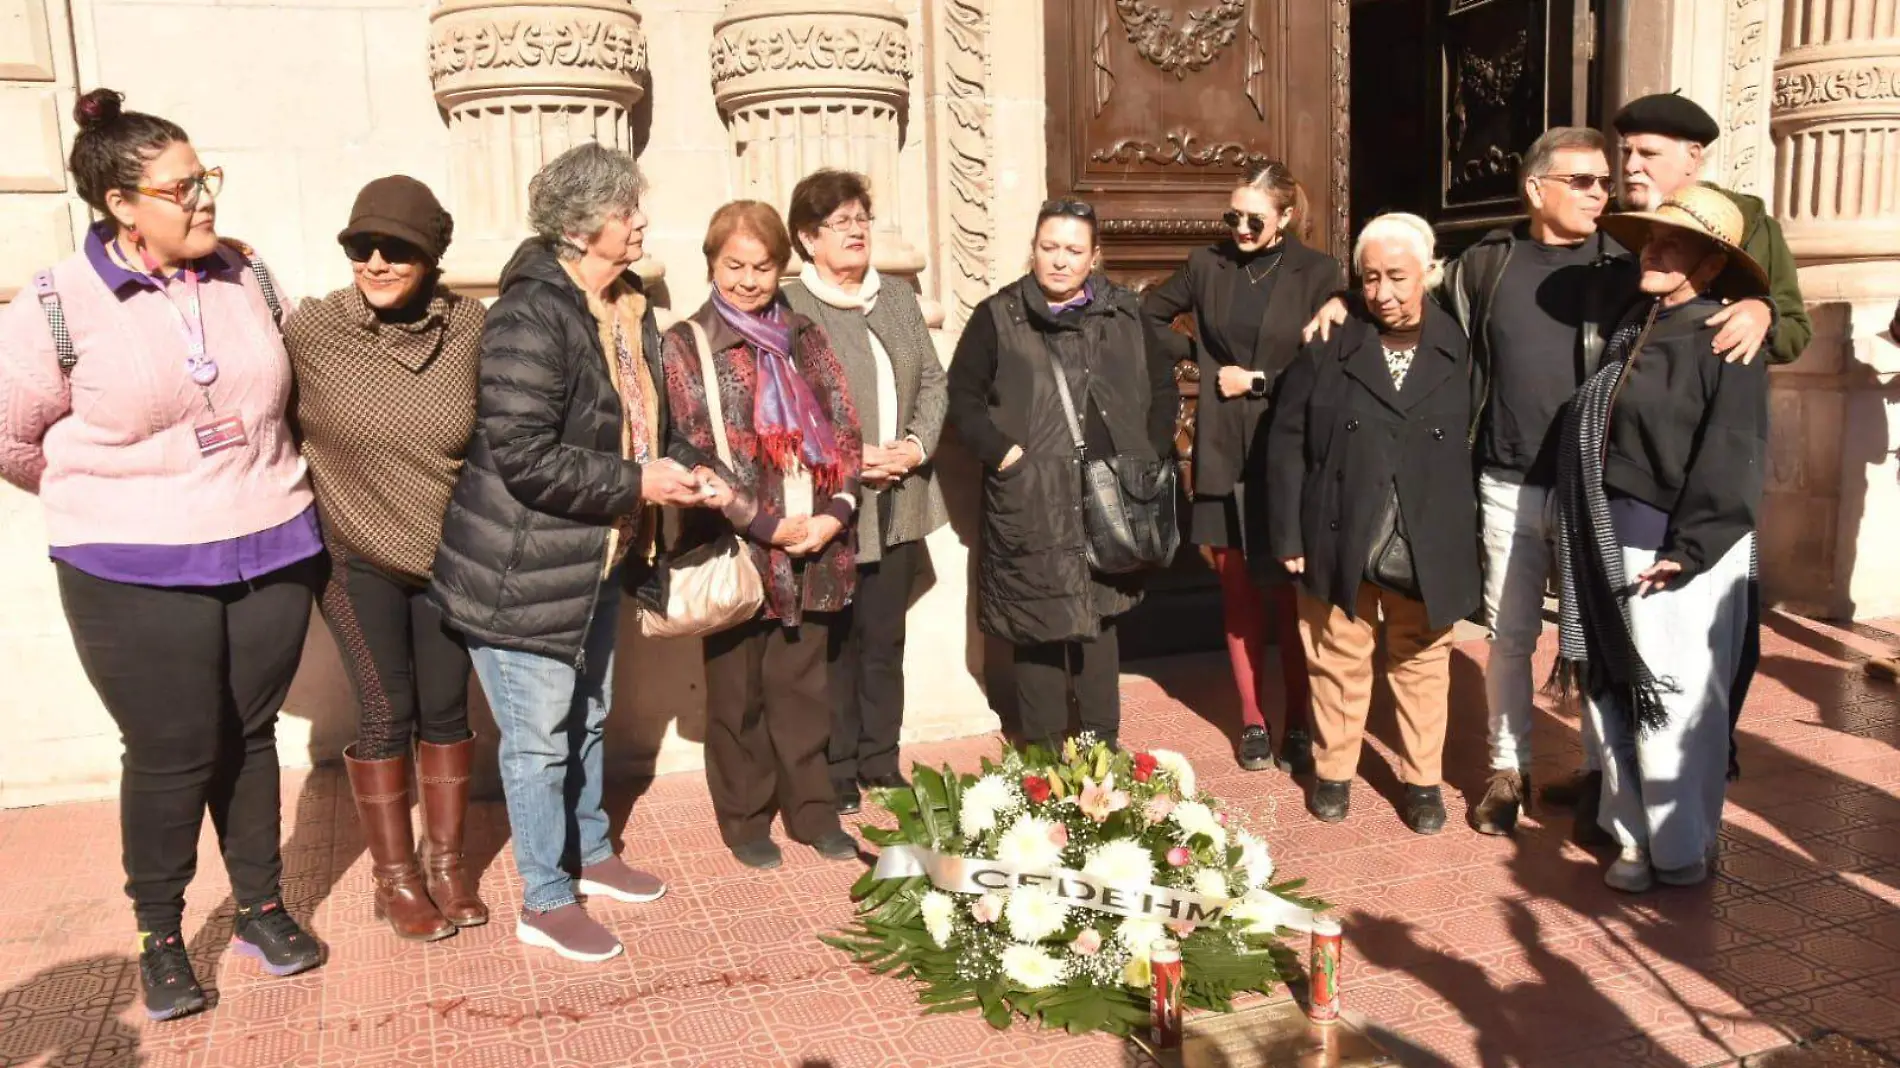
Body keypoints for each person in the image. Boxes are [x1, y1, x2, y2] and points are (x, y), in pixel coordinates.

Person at [1304, 127, 1774, 839]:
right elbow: (1401, 283)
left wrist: (1761, 306)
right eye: (1582, 181)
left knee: (1595, 639)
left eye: (1604, 182)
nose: (1601, 191)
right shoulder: (1484, 266)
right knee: (1511, 636)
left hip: (1596, 492)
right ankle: (1507, 768)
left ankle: (1596, 774)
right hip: (1505, 479)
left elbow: (1705, 287)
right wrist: (1344, 296)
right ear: (1536, 189)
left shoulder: (1630, 261)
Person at [0, 88, 324, 1020]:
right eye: (183, 188)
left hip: (268, 547)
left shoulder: (248, 277)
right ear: (121, 204)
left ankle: (262, 906)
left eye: (206, 179)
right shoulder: (58, 303)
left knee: (251, 737)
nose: (205, 200)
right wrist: (117, 498)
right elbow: (17, 438)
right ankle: (161, 935)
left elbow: (286, 394)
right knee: (173, 750)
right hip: (130, 567)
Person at [428, 143, 717, 963]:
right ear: (586, 224)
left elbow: (643, 421)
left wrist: (688, 474)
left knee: (589, 717)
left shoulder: (627, 307)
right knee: (538, 740)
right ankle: (545, 900)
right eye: (628, 212)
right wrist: (638, 479)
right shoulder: (532, 313)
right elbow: (521, 452)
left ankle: (590, 856)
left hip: (593, 558)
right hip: (522, 572)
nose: (640, 224)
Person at [285, 176, 487, 941]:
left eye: (396, 249)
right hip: (351, 554)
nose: (374, 261)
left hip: (446, 555)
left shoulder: (470, 327)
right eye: (361, 247)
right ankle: (394, 881)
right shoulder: (312, 331)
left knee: (445, 710)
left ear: (431, 256)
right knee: (384, 711)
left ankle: (446, 866)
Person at [1555, 185, 1770, 892]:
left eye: (1672, 243)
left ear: (1709, 267)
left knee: (1674, 702)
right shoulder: (1632, 321)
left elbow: (1732, 449)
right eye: (1650, 237)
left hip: (1679, 551)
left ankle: (1681, 847)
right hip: (1606, 537)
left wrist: (1692, 548)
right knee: (1613, 692)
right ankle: (1632, 838)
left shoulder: (1725, 335)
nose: (1652, 248)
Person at [1612, 91, 1812, 787]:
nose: (1631, 164)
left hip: (1711, 462)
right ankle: (1617, 772)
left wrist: (1758, 305)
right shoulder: (1621, 228)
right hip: (1634, 455)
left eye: (1649, 153)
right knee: (1623, 633)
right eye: (1626, 151)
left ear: (1694, 158)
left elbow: (1793, 326)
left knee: (1721, 630)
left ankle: (1706, 751)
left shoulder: (1750, 221)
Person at [661, 200, 865, 870]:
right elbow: (693, 445)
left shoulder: (806, 333)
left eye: (763, 266)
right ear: (713, 264)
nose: (748, 280)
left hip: (814, 542)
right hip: (739, 544)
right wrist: (769, 524)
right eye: (734, 266)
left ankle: (812, 810)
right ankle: (746, 817)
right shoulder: (687, 343)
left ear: (782, 266)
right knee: (738, 693)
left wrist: (835, 512)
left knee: (804, 689)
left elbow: (843, 423)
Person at [1266, 213, 1480, 835]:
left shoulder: (1463, 341)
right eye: (1369, 278)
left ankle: (1421, 782)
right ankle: (1333, 772)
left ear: (1429, 273)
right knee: (1336, 655)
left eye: (1397, 277)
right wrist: (1287, 534)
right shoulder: (1330, 338)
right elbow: (1286, 441)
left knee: (1421, 663)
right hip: (1338, 528)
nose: (1382, 292)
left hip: (1427, 532)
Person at [946, 198, 1179, 752]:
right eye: (1049, 247)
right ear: (1033, 248)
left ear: (1094, 256)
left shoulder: (1126, 312)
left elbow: (1163, 389)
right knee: (1037, 623)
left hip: (1110, 495)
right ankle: (1046, 750)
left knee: (1101, 620)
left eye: (1074, 250)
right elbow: (961, 398)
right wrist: (1004, 454)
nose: (1059, 260)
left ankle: (1103, 743)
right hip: (1031, 495)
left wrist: (1146, 453)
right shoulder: (998, 315)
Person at [1139, 161, 1341, 773]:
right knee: (1239, 592)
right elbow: (1148, 313)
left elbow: (1330, 360)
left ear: (1284, 217)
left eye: (1255, 217)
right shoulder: (1208, 264)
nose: (1242, 228)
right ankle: (1253, 720)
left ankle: (1300, 722)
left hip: (1288, 448)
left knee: (1290, 596)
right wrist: (1197, 360)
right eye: (1233, 216)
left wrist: (1257, 379)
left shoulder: (1319, 273)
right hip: (1225, 444)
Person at [779, 170, 948, 815]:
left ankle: (882, 759)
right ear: (806, 238)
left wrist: (913, 447)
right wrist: (852, 459)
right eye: (838, 223)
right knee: (839, 643)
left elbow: (934, 381)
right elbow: (788, 408)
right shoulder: (796, 309)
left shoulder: (897, 298)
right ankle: (840, 766)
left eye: (861, 219)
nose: (855, 232)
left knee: (885, 639)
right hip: (835, 504)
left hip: (899, 496)